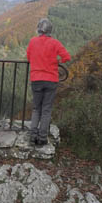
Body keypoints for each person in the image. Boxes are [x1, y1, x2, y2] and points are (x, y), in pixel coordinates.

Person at [26, 18, 71, 146]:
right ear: (50, 31)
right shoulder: (55, 43)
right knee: (46, 110)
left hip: (36, 79)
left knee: (36, 109)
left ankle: (32, 136)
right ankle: (42, 138)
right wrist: (57, 62)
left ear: (39, 29)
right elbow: (67, 57)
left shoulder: (33, 41)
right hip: (51, 80)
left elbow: (29, 57)